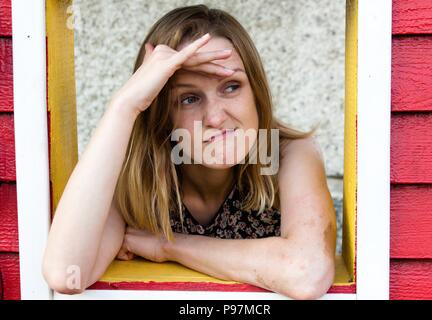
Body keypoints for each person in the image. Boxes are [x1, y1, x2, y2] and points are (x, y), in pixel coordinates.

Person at [42, 4, 336, 300]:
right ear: (161, 114)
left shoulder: (288, 154)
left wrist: (169, 246)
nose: (216, 117)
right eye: (189, 98)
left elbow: (306, 273)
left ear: (256, 92)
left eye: (231, 87)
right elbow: (66, 272)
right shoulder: (136, 172)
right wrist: (124, 105)